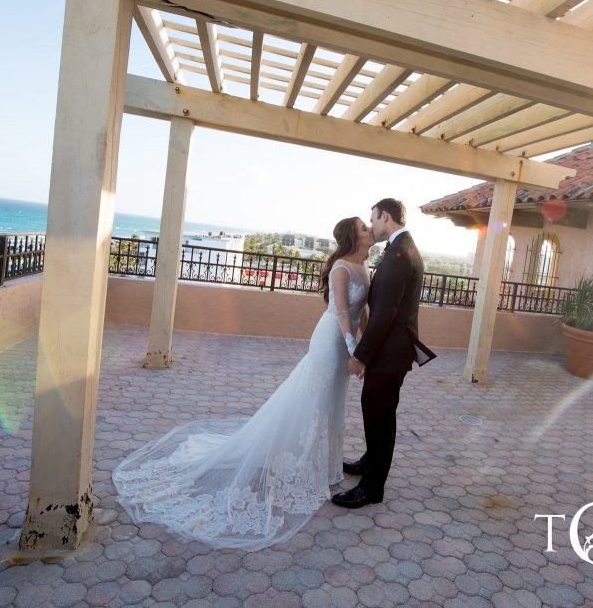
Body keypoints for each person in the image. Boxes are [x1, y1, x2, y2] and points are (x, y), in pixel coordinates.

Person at [112, 217, 374, 550]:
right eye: (363, 227)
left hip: (347, 344)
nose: (368, 230)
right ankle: (299, 462)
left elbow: (362, 311)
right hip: (331, 342)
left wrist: (364, 349)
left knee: (332, 400)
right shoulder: (341, 267)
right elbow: (339, 312)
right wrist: (354, 348)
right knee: (315, 398)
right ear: (352, 235)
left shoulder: (364, 266)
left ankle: (320, 464)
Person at [333, 198, 434, 509]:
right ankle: (369, 462)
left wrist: (360, 355)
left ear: (385, 216)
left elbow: (384, 314)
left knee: (380, 417)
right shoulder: (401, 248)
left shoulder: (398, 254)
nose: (372, 226)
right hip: (392, 350)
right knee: (374, 410)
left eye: (373, 220)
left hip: (389, 353)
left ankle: (371, 488)